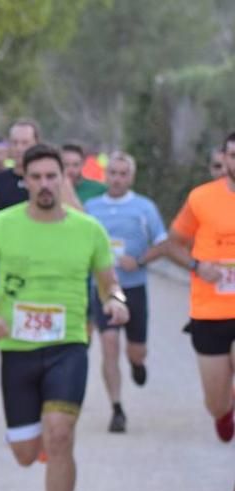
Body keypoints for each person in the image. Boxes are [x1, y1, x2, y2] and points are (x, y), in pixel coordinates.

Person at [0, 143, 128, 491]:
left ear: (64, 179)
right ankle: (35, 440)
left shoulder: (87, 229)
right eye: (35, 177)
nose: (44, 184)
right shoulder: (2, 224)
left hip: (68, 346)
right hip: (17, 351)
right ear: (25, 180)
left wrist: (116, 302)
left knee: (60, 435)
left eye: (52, 176)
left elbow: (110, 284)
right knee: (24, 452)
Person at [85, 151, 168, 433]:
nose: (117, 179)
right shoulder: (91, 207)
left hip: (134, 288)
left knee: (136, 351)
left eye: (123, 174)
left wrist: (141, 260)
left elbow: (162, 243)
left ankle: (137, 363)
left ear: (131, 177)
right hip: (105, 289)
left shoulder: (144, 208)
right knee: (109, 346)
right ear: (105, 176)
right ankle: (117, 409)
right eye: (113, 173)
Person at [167, 131, 235, 446]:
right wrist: (197, 266)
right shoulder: (201, 198)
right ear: (224, 159)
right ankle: (225, 410)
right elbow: (175, 244)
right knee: (215, 402)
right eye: (233, 156)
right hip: (209, 311)